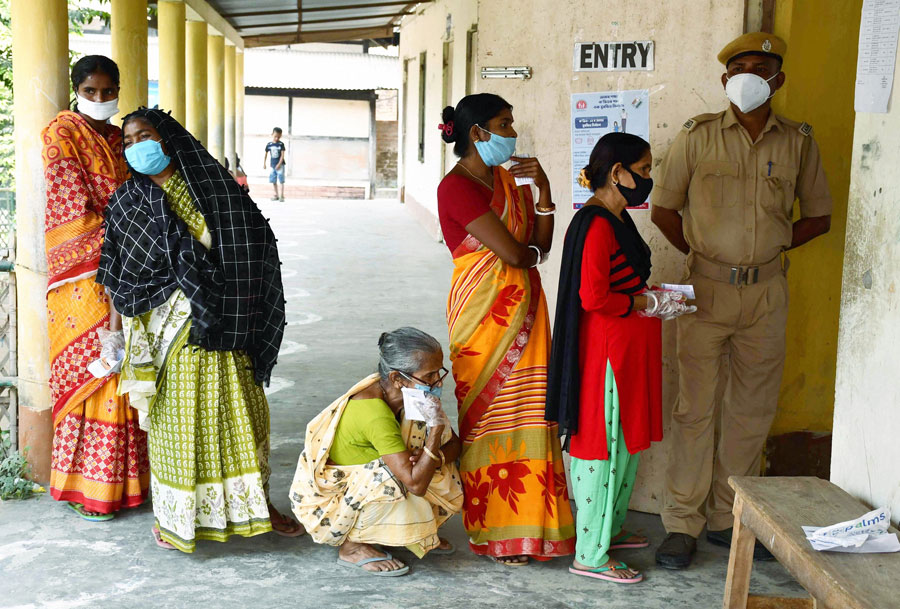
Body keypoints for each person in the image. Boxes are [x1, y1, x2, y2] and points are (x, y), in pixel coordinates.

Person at [651, 32, 832, 569]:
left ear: (778, 78)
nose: (751, 74)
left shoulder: (798, 141)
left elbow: (818, 217)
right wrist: (704, 257)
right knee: (694, 410)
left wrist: (769, 251)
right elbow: (664, 210)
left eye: (763, 65)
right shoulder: (698, 136)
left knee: (752, 412)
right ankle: (682, 523)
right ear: (726, 79)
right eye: (741, 66)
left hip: (766, 293)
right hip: (704, 292)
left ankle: (729, 520)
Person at [97, 108, 303, 552]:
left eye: (145, 136)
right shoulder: (126, 202)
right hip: (161, 333)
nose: (136, 147)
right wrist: (112, 333)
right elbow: (117, 275)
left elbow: (252, 245)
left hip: (222, 321)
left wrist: (219, 288)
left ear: (166, 139)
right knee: (179, 422)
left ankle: (257, 505)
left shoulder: (212, 188)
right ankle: (177, 517)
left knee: (240, 414)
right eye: (128, 141)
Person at [546, 133, 695, 584]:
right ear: (617, 173)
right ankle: (590, 555)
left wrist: (649, 299)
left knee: (624, 446)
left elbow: (623, 284)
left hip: (628, 349)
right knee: (602, 449)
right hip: (608, 353)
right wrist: (642, 305)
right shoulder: (593, 223)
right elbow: (594, 296)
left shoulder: (617, 218)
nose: (649, 179)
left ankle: (606, 527)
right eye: (645, 170)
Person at [436, 94, 575, 565]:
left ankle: (532, 529)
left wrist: (545, 192)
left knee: (533, 415)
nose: (513, 132)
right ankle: (494, 531)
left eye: (511, 122)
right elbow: (517, 255)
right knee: (486, 419)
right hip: (483, 318)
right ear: (477, 133)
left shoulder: (509, 180)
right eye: (504, 123)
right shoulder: (455, 188)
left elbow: (539, 245)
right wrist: (530, 255)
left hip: (528, 313)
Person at [41, 55, 149, 521]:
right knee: (94, 370)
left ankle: (130, 483)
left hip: (129, 266)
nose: (101, 99)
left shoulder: (118, 135)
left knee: (127, 368)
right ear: (76, 89)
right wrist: (127, 237)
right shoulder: (61, 134)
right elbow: (68, 208)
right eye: (92, 91)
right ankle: (89, 489)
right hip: (83, 274)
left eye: (109, 91)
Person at [290, 328, 463, 577]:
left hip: (370, 486)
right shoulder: (375, 413)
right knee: (394, 476)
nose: (439, 381)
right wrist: (433, 434)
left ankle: (401, 533)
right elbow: (415, 484)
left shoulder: (407, 395)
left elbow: (455, 445)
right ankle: (352, 547)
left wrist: (431, 458)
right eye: (430, 375)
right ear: (397, 379)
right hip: (334, 503)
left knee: (430, 462)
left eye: (439, 371)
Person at [263, 127, 286, 201]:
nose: (277, 138)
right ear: (272, 134)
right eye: (275, 136)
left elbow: (282, 155)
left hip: (280, 165)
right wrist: (264, 163)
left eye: (278, 137)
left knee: (281, 180)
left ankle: (281, 195)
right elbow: (266, 154)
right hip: (272, 165)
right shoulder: (269, 144)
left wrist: (279, 164)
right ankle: (276, 195)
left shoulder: (281, 144)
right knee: (273, 180)